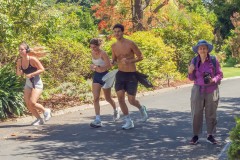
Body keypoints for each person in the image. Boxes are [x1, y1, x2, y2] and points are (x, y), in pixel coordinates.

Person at [111, 24, 148, 130]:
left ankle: (141, 108)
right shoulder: (113, 46)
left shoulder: (130, 43)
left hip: (131, 74)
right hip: (120, 74)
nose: (117, 33)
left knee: (131, 100)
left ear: (123, 32)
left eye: (118, 31)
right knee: (120, 97)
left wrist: (129, 61)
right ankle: (128, 121)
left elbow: (141, 57)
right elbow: (114, 59)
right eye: (115, 32)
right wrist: (112, 62)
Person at [188, 40, 223, 144]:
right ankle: (195, 135)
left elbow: (220, 74)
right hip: (197, 89)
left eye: (204, 48)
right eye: (200, 48)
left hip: (212, 89)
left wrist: (214, 80)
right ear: (198, 50)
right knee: (196, 113)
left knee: (211, 113)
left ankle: (210, 135)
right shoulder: (194, 61)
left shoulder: (213, 60)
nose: (202, 50)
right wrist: (190, 72)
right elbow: (191, 78)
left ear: (207, 49)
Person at [16, 42, 51, 125]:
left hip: (37, 83)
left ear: (27, 50)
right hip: (28, 83)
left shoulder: (32, 59)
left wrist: (32, 74)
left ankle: (46, 111)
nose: (20, 51)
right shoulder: (19, 61)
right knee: (28, 103)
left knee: (32, 102)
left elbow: (42, 69)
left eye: (22, 49)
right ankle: (39, 119)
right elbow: (18, 74)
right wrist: (19, 69)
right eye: (19, 50)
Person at [89, 38, 120, 128]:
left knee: (107, 98)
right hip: (97, 77)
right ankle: (98, 119)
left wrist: (99, 67)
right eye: (91, 47)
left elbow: (109, 65)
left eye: (95, 47)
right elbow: (95, 65)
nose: (93, 49)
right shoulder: (92, 53)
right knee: (95, 98)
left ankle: (116, 109)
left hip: (105, 77)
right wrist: (93, 67)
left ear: (99, 46)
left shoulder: (103, 53)